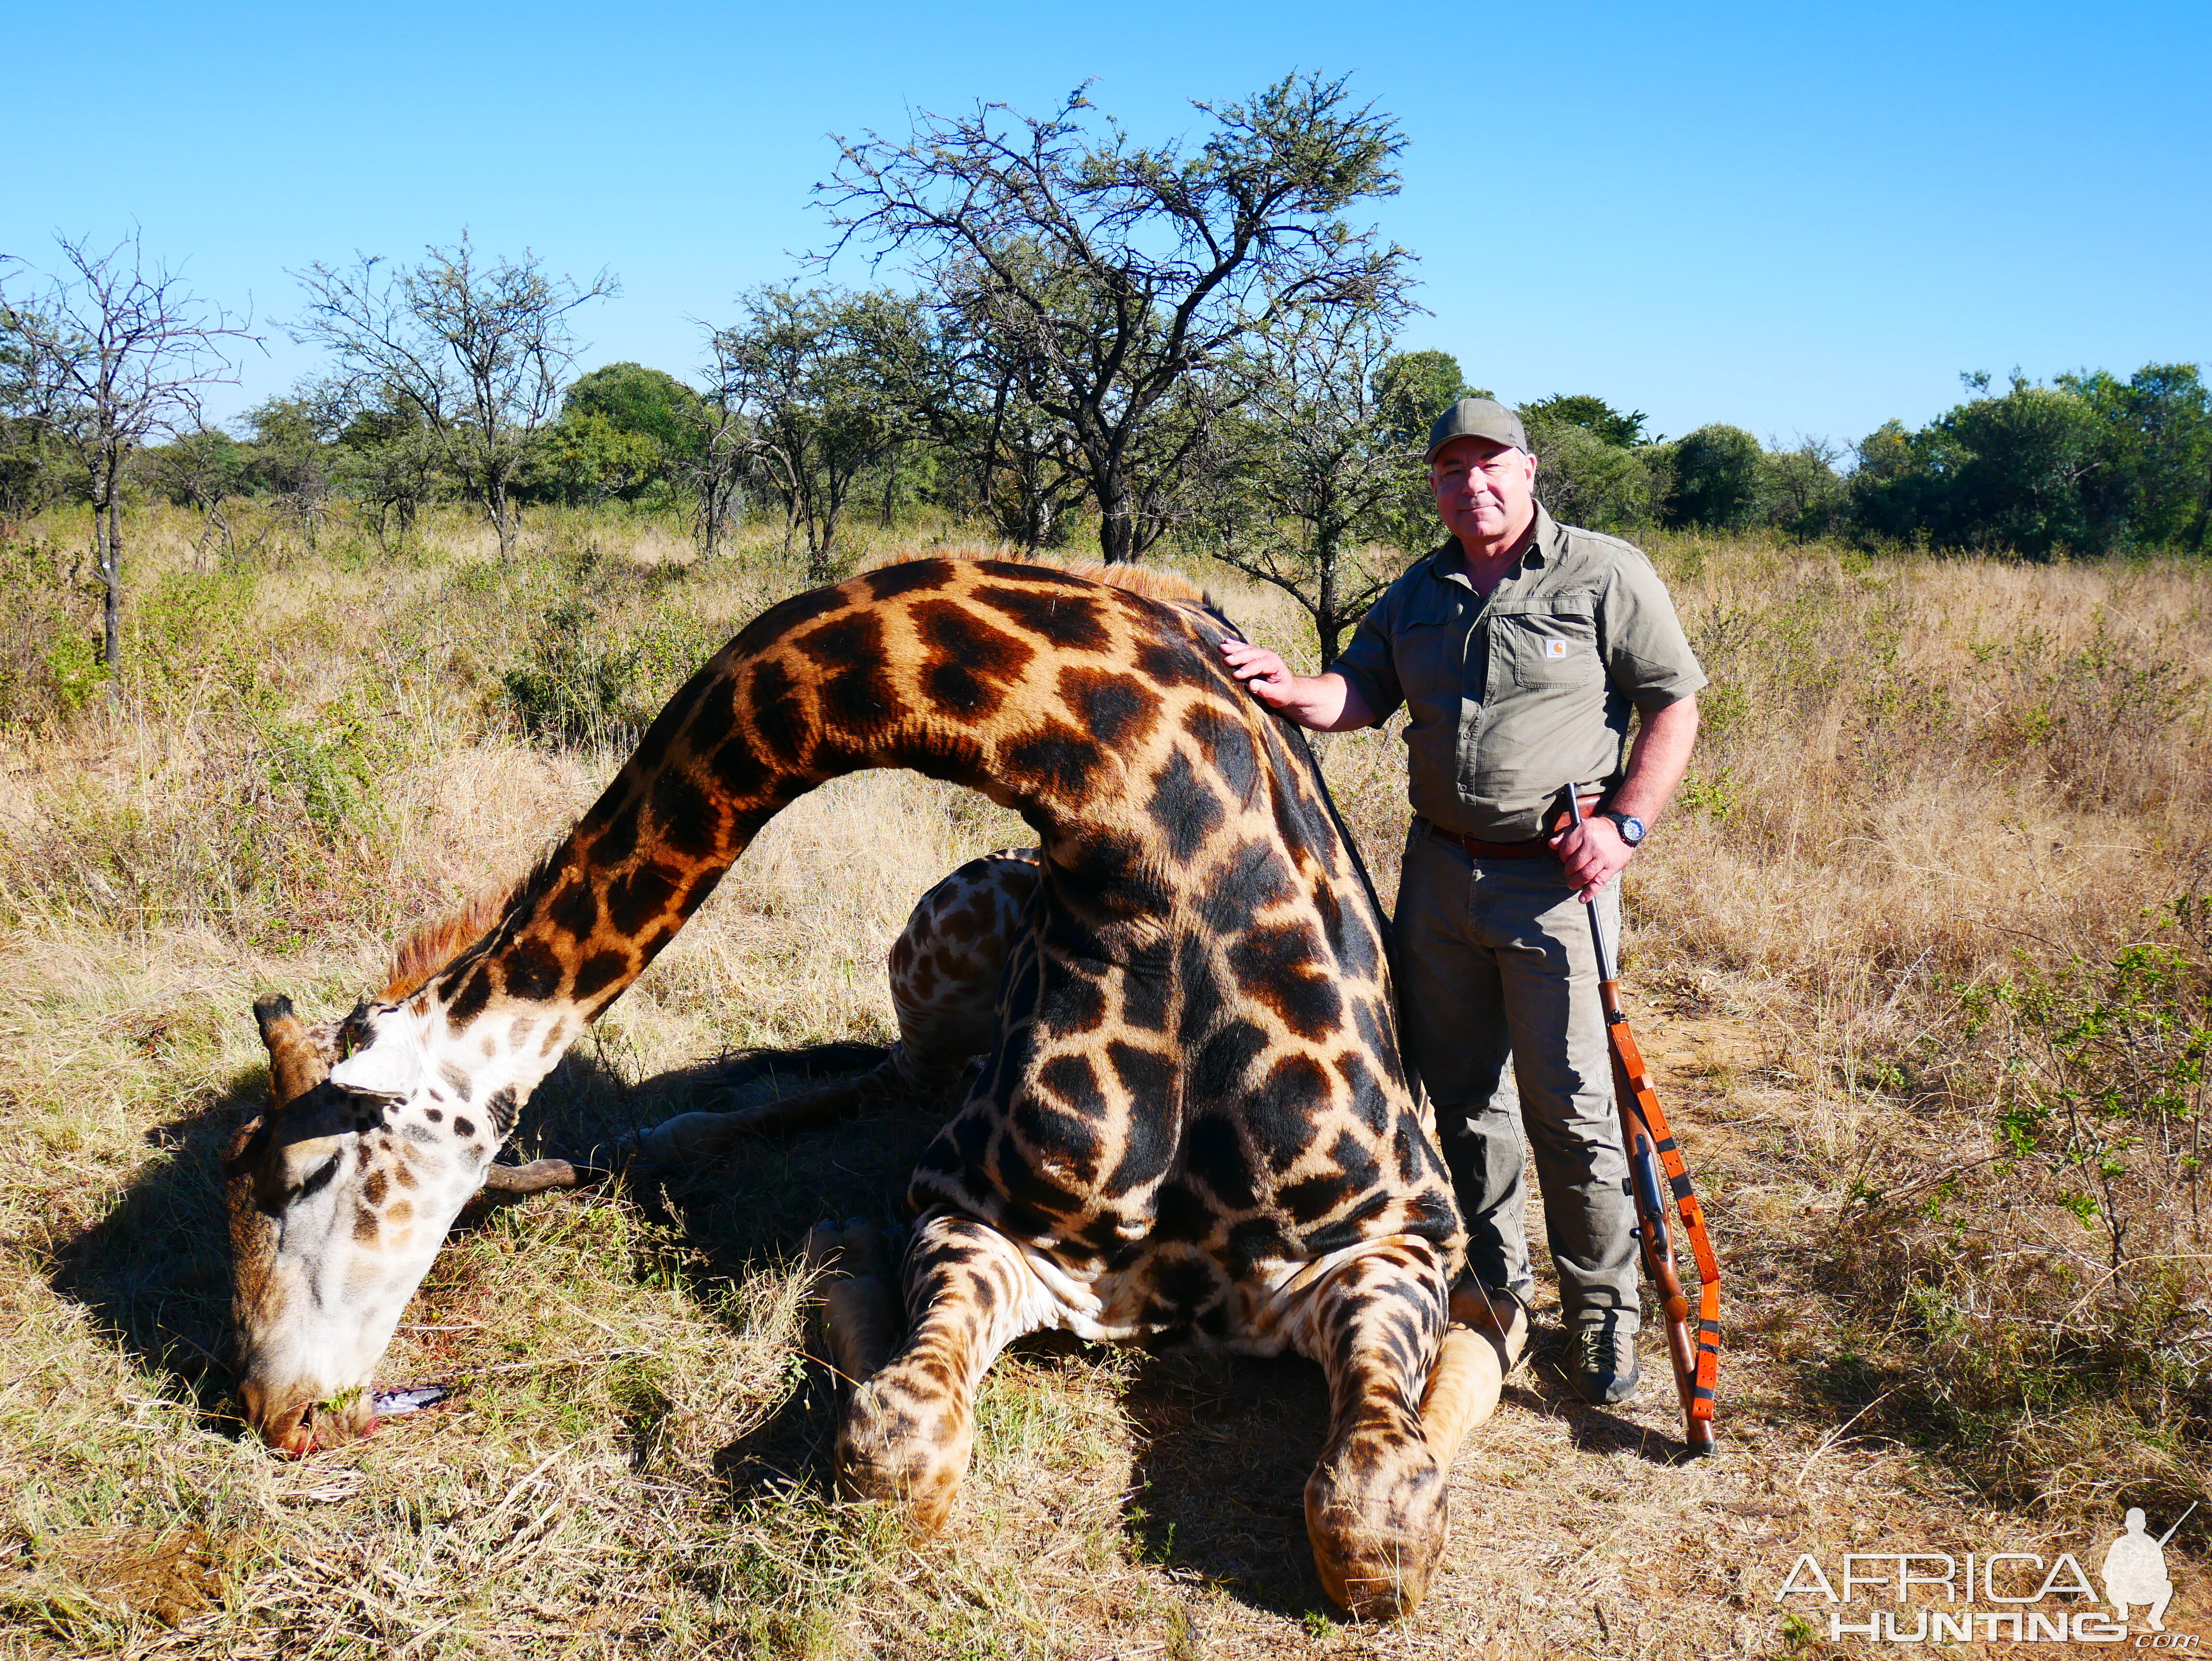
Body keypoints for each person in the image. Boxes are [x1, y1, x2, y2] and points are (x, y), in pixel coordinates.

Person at [1219, 397, 1705, 1405]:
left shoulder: (1601, 571)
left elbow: (1672, 701)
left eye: (1490, 466)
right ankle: (1495, 1292)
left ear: (1528, 471)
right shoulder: (1419, 588)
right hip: (1439, 877)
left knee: (1570, 1108)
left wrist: (1623, 826)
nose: (1471, 485)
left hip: (1554, 880)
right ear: (1435, 484)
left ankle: (1604, 1314)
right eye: (1451, 470)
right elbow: (1359, 693)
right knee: (1464, 1098)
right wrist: (1284, 684)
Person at [2101, 1509, 2175, 1631]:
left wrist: (2148, 1573)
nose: (2136, 1527)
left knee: (2167, 1586)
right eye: (2133, 1524)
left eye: (2139, 1524)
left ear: (2144, 1525)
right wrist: (2126, 1573)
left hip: (2143, 1592)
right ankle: (2123, 1608)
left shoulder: (2151, 1544)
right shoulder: (2120, 1543)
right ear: (2127, 1525)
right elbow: (2107, 1572)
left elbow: (2163, 1573)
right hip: (2121, 1592)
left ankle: (2155, 1618)